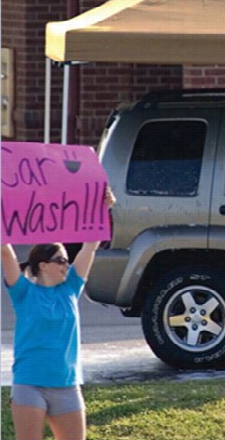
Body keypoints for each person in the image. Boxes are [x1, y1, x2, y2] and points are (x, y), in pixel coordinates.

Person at [1, 188, 115, 440]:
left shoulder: (71, 288)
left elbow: (90, 247)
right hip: (30, 384)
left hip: (67, 386)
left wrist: (102, 208)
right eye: (61, 260)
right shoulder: (23, 291)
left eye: (66, 260)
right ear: (43, 265)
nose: (67, 264)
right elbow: (6, 251)